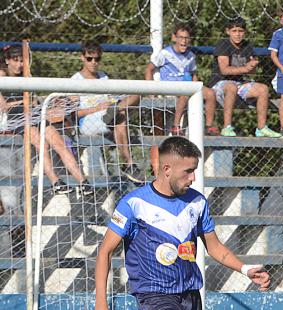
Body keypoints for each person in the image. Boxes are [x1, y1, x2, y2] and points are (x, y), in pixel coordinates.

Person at [89, 136, 270, 310]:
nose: (193, 177)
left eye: (195, 170)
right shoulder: (134, 204)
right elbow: (105, 252)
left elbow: (215, 247)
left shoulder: (197, 203)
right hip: (154, 294)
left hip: (189, 294)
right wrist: (101, 303)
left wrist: (246, 270)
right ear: (166, 169)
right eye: (188, 171)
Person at [0, 45, 93, 196]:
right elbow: (3, 106)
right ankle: (56, 181)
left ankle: (83, 182)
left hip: (34, 113)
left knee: (59, 143)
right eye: (15, 60)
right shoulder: (2, 75)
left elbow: (34, 100)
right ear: (7, 60)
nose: (19, 65)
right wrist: (23, 103)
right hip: (17, 117)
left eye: (21, 61)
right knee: (41, 142)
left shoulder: (26, 75)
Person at [71, 40, 144, 183]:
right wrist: (97, 108)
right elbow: (74, 114)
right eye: (89, 59)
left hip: (108, 115)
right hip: (88, 121)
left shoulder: (103, 77)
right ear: (82, 58)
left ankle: (116, 110)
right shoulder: (76, 80)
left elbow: (111, 98)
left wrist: (111, 105)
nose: (93, 62)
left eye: (97, 59)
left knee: (137, 94)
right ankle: (129, 164)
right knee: (119, 118)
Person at [209, 17, 280, 138]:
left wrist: (252, 67)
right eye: (234, 31)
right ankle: (227, 127)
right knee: (231, 87)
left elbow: (251, 73)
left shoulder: (247, 46)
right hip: (220, 84)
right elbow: (224, 70)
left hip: (239, 84)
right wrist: (246, 68)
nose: (237, 34)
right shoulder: (223, 44)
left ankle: (261, 128)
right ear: (228, 31)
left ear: (244, 32)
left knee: (263, 89)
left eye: (240, 31)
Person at [145, 23, 217, 136]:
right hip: (171, 88)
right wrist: (151, 90)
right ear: (174, 38)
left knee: (211, 93)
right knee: (184, 95)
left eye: (186, 38)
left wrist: (196, 86)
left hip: (187, 86)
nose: (184, 41)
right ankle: (176, 126)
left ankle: (209, 126)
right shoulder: (165, 53)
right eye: (181, 38)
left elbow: (193, 74)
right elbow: (149, 69)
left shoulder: (191, 56)